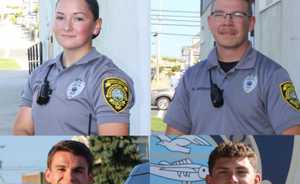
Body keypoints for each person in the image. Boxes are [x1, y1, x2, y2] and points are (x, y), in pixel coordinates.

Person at [164, 0, 300, 135]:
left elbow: (294, 142)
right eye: (219, 14)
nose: (227, 22)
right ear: (210, 22)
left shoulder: (273, 75)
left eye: (237, 14)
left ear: (251, 23)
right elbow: (173, 141)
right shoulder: (191, 78)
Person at [13, 0, 134, 135]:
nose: (66, 27)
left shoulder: (108, 79)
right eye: (60, 17)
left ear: (96, 26)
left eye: (78, 18)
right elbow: (22, 129)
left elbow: (114, 142)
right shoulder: (40, 73)